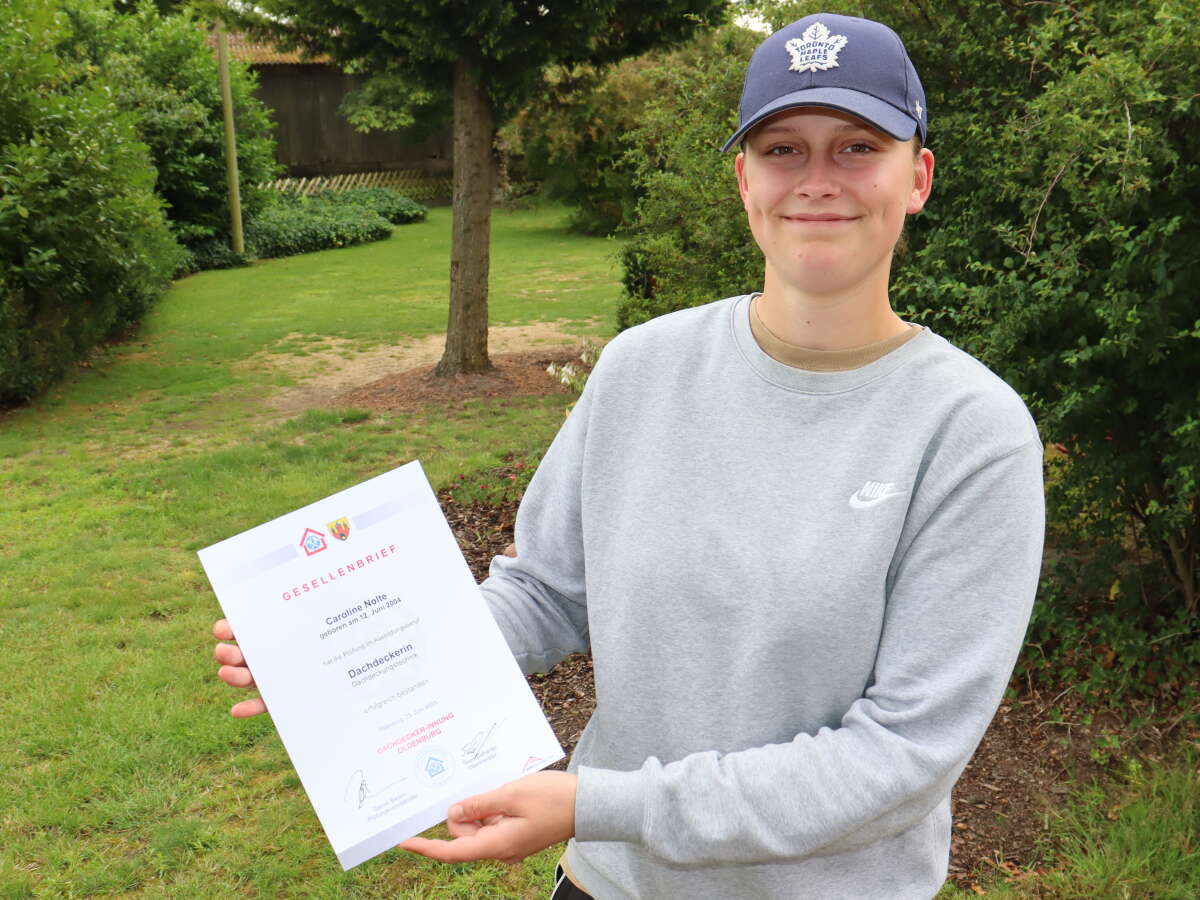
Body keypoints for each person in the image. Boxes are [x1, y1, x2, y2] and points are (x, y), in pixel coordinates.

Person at [214, 13, 1045, 899]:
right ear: (744, 179)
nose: (816, 179)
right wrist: (344, 655)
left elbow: (903, 755)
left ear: (916, 178)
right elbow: (547, 591)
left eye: (857, 147)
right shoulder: (642, 368)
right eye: (782, 149)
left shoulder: (970, 432)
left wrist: (599, 804)